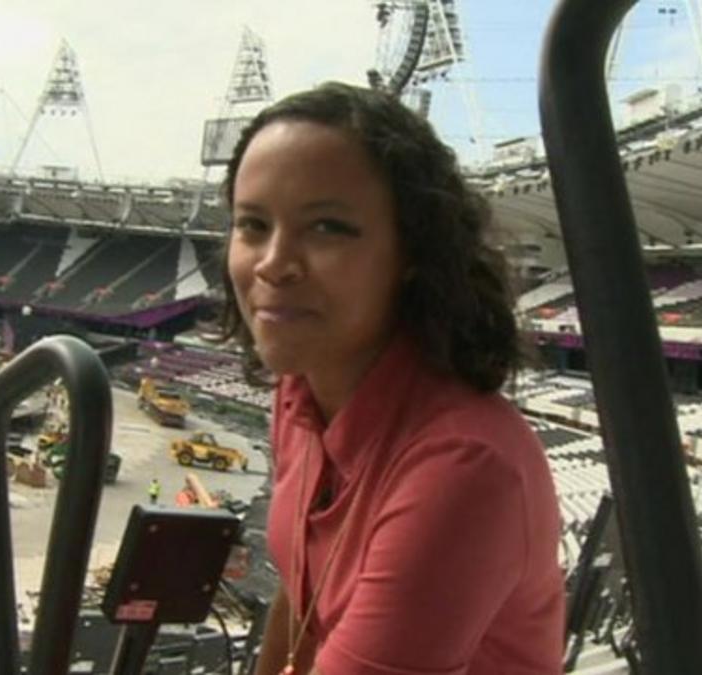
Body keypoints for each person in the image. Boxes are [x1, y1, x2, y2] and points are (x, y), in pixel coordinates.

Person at [221, 82, 564, 674]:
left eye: (327, 227)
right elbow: (303, 599)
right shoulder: (300, 390)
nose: (274, 263)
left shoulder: (463, 467)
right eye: (253, 224)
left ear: (412, 252)